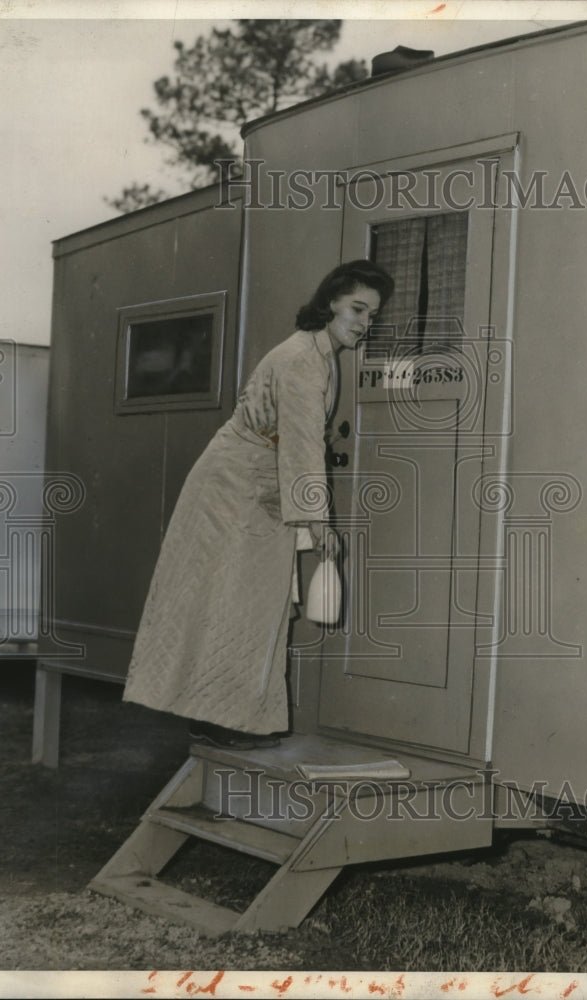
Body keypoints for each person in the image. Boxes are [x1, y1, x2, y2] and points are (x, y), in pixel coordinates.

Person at [122, 259, 395, 750]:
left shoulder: (320, 354)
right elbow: (302, 446)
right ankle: (222, 720)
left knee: (245, 603)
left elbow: (300, 442)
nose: (363, 322)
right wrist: (319, 525)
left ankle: (220, 718)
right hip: (236, 484)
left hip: (255, 481)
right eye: (357, 308)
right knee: (237, 602)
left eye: (372, 315)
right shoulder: (302, 359)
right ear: (331, 301)